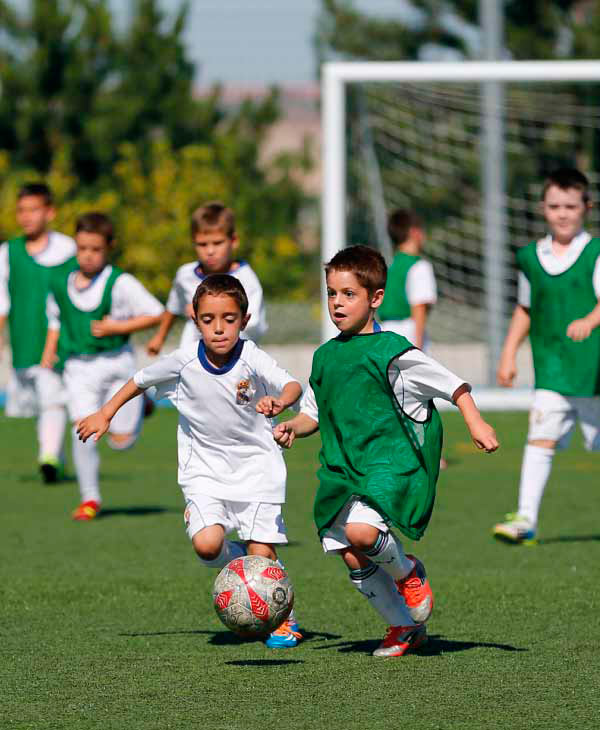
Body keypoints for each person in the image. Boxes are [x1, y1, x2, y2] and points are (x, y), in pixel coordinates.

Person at [273, 245, 498, 657]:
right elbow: (312, 414)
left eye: (348, 294)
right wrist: (291, 426)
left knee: (363, 533)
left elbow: (453, 384)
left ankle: (408, 572)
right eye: (331, 293)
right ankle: (402, 626)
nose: (337, 303)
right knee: (350, 554)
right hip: (343, 469)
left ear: (375, 298)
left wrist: (475, 420)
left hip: (389, 463)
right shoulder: (325, 357)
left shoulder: (393, 350)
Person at [77, 274, 304, 648]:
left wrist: (280, 401)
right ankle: (243, 575)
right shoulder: (183, 361)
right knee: (207, 546)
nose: (219, 329)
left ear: (244, 321)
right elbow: (139, 380)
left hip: (258, 468)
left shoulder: (251, 356)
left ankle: (284, 618)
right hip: (204, 471)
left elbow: (292, 384)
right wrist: (105, 413)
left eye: (229, 319)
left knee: (261, 553)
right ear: (195, 320)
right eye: (208, 320)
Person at [493, 168, 600, 544]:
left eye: (571, 205)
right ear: (543, 208)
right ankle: (525, 518)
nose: (563, 213)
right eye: (555, 205)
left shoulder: (595, 252)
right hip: (552, 368)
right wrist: (509, 354)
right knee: (540, 437)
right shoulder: (530, 258)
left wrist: (590, 319)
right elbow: (525, 308)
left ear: (587, 207)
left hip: (594, 372)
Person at [41, 212, 164, 520]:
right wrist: (49, 350)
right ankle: (90, 498)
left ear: (109, 247)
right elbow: (56, 319)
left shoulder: (120, 282)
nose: (88, 255)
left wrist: (117, 328)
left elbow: (156, 313)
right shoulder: (60, 281)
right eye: (82, 248)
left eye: (95, 249)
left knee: (121, 442)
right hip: (78, 368)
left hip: (117, 365)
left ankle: (142, 403)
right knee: (82, 429)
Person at [0, 182, 76, 483]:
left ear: (50, 212)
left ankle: (48, 456)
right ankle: (56, 455)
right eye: (22, 210)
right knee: (39, 403)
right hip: (25, 338)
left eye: (34, 209)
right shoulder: (9, 252)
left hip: (61, 341)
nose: (27, 216)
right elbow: (2, 302)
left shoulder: (69, 249)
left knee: (52, 397)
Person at [147, 201, 267, 355]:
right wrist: (159, 338)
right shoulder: (185, 275)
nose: (210, 251)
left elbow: (252, 323)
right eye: (202, 244)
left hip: (235, 357)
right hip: (193, 353)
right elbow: (173, 307)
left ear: (234, 241)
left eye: (217, 243)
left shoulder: (247, 279)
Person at [378, 209, 437, 351]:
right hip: (408, 337)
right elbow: (419, 308)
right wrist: (418, 348)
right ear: (414, 232)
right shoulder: (419, 266)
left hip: (384, 334)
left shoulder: (390, 267)